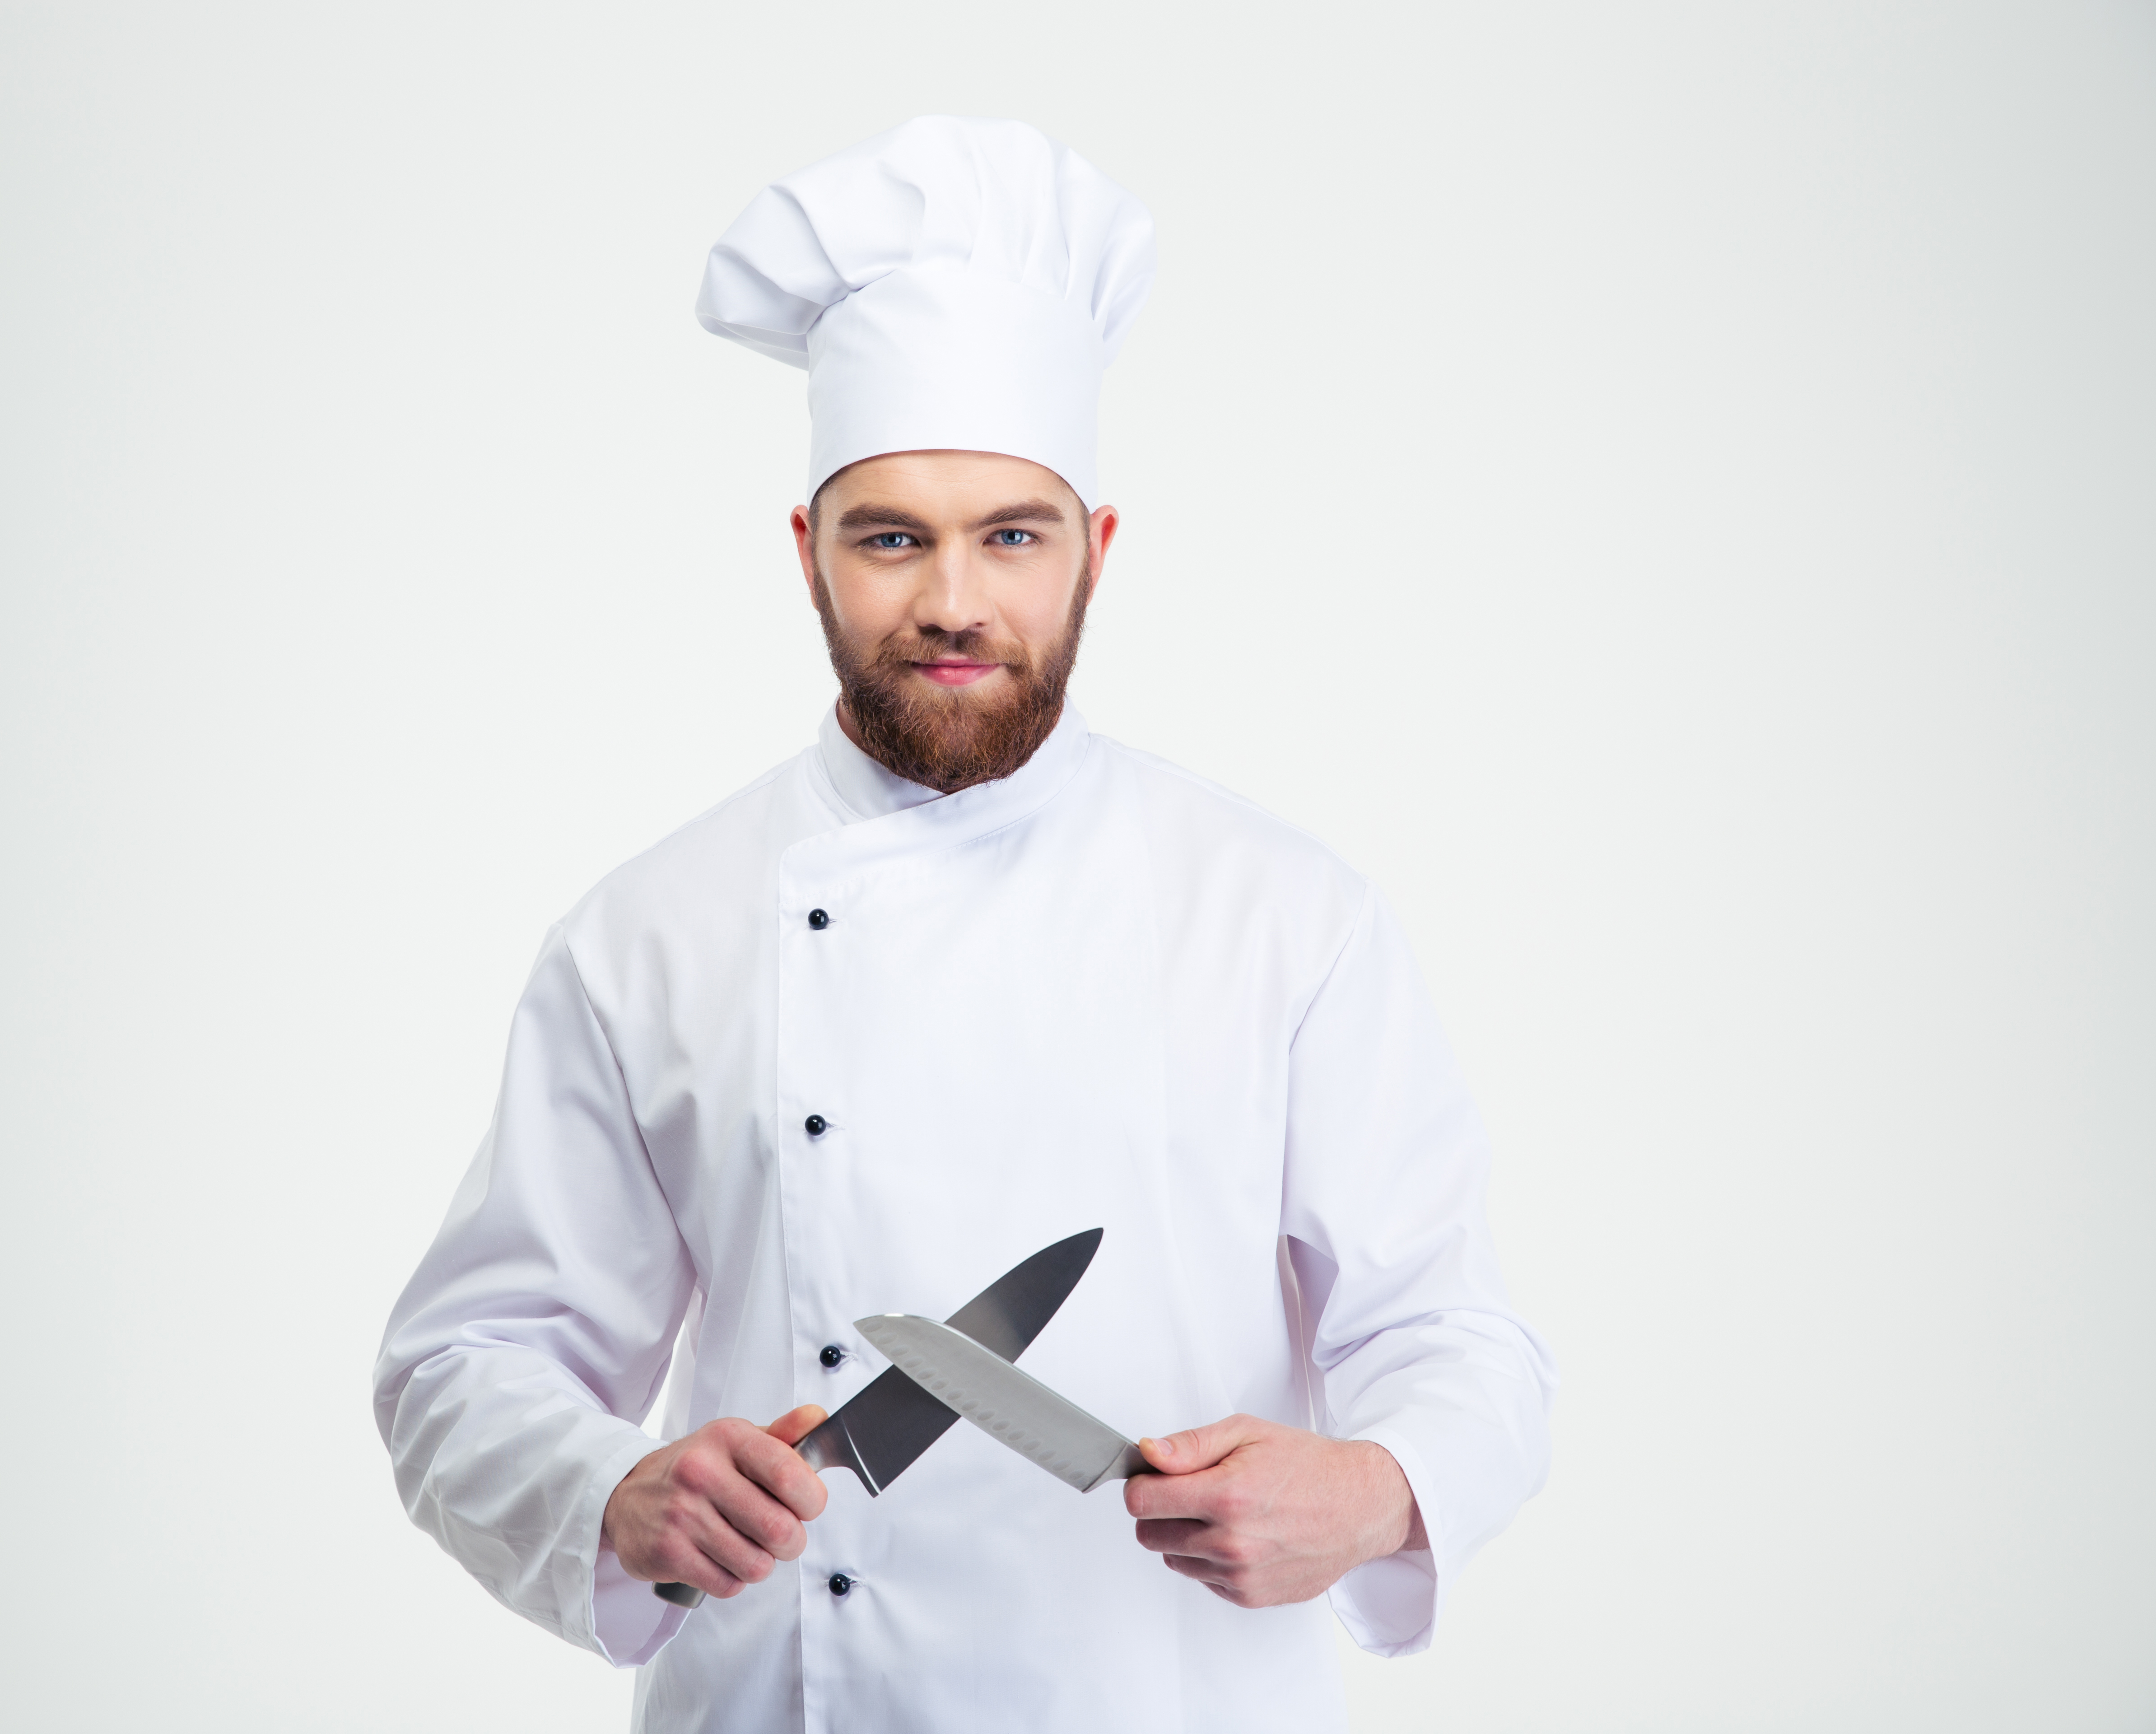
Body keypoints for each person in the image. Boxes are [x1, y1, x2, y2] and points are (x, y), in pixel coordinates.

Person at [374, 116, 1554, 1732]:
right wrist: (611, 1493)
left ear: (1095, 556)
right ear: (807, 556)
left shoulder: (1284, 914)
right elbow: (463, 1366)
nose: (951, 599)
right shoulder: (648, 934)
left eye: (1013, 534)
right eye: (890, 537)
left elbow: (1456, 1336)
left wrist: (1374, 1488)